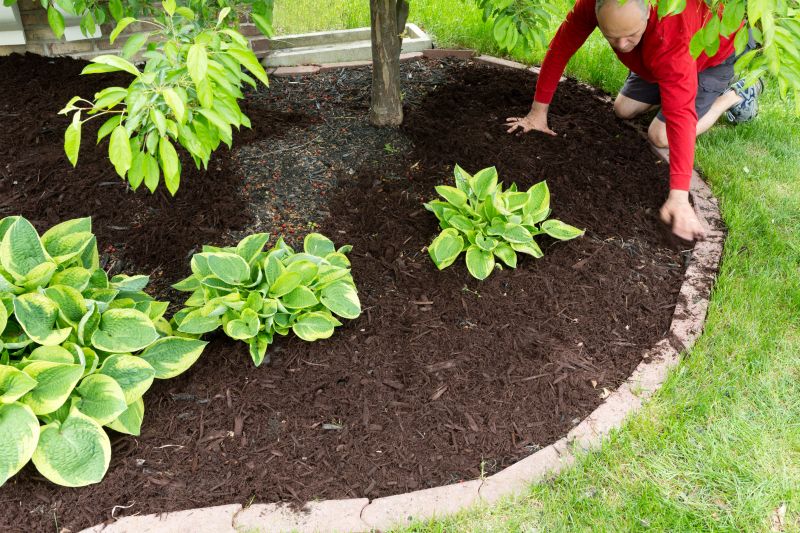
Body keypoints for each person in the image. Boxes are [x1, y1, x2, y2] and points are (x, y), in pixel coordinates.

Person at [505, 0, 762, 241]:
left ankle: (734, 95)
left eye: (631, 35)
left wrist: (679, 197)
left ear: (648, 13)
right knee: (623, 109)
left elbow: (681, 117)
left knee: (660, 135)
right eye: (611, 37)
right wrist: (537, 113)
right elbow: (561, 46)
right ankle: (672, 84)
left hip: (713, 54)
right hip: (657, 59)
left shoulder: (671, 36)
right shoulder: (594, 5)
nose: (622, 45)